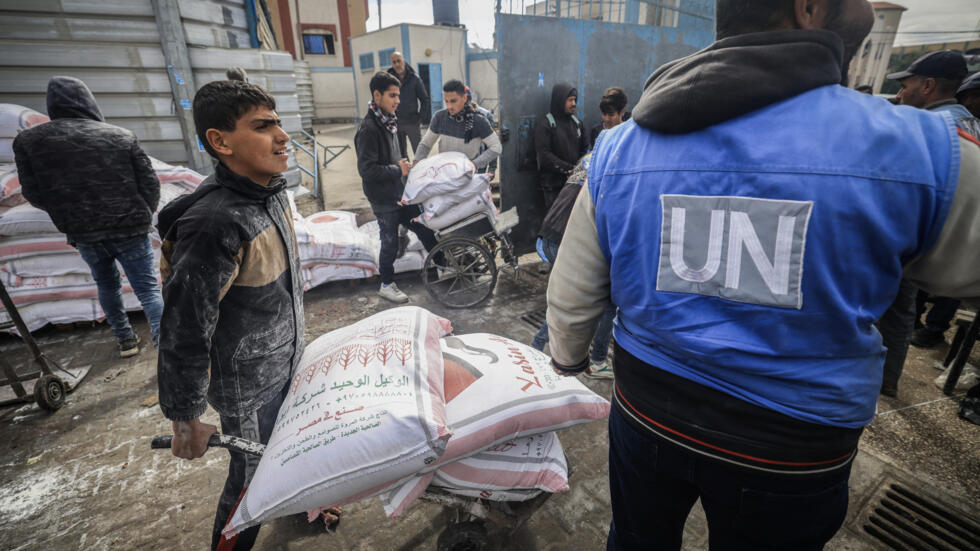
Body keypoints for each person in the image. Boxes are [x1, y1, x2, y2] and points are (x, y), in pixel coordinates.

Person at [545, 0, 980, 549]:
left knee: (637, 538)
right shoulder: (923, 150)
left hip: (649, 411)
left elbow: (573, 286)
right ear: (809, 8)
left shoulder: (619, 148)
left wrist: (568, 358)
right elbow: (960, 273)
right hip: (793, 445)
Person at [155, 80, 337, 550]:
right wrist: (185, 417)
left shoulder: (269, 193)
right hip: (248, 385)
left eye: (278, 123)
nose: (283, 136)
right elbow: (184, 330)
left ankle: (301, 502)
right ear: (221, 141)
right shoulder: (215, 223)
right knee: (253, 479)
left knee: (291, 447)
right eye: (263, 126)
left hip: (285, 360)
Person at [12, 76, 163, 358]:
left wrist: (66, 213)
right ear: (88, 101)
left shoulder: (30, 141)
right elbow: (150, 183)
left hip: (83, 232)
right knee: (148, 290)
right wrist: (144, 213)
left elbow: (32, 192)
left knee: (106, 285)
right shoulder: (120, 135)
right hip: (130, 227)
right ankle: (165, 348)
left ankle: (126, 341)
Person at [878, 52, 980, 369]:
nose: (899, 95)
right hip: (962, 245)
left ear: (928, 86)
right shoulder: (970, 122)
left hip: (922, 234)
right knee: (904, 307)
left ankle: (885, 377)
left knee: (893, 306)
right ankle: (890, 376)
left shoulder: (930, 128)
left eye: (905, 86)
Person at [355, 71, 440, 304]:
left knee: (424, 227)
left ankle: (444, 265)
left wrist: (406, 169)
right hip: (383, 198)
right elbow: (367, 170)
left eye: (398, 95)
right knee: (389, 241)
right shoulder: (369, 129)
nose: (397, 101)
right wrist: (397, 170)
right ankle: (386, 284)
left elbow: (396, 155)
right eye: (392, 95)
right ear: (377, 95)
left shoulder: (389, 121)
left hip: (399, 192)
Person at [530, 155, 615, 379]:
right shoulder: (616, 166)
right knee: (607, 303)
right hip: (564, 237)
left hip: (548, 234)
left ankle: (537, 345)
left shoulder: (591, 158)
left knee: (569, 297)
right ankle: (597, 361)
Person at [413, 79, 502, 171]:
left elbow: (496, 147)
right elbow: (426, 144)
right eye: (446, 101)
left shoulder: (479, 121)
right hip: (444, 172)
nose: (449, 106)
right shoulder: (439, 117)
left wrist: (474, 164)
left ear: (464, 98)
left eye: (453, 101)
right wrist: (417, 162)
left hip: (467, 173)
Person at [535, 83, 588, 209]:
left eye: (575, 100)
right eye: (570, 100)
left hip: (575, 183)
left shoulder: (577, 124)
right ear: (560, 100)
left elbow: (585, 149)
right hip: (553, 186)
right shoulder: (546, 125)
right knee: (556, 219)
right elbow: (544, 155)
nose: (574, 104)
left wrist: (578, 169)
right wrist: (568, 169)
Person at [387, 51, 429, 159]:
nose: (397, 64)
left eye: (399, 61)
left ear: (404, 61)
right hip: (396, 122)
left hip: (412, 122)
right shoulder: (388, 80)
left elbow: (424, 99)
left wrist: (420, 118)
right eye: (394, 62)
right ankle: (405, 171)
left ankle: (421, 170)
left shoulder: (414, 78)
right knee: (401, 155)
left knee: (419, 153)